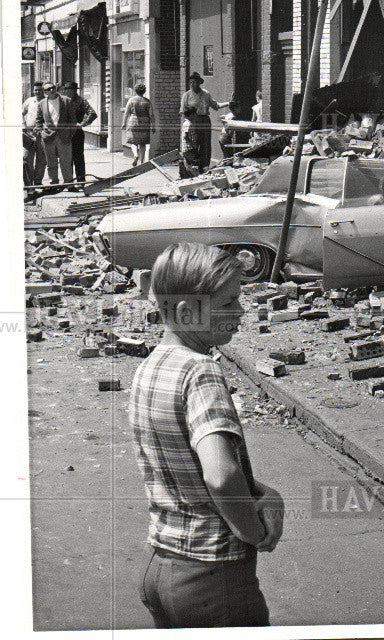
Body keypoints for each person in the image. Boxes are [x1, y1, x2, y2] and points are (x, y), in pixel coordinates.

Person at [129, 243, 283, 629]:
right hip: (214, 579)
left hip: (161, 570)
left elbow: (177, 464)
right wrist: (252, 532)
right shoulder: (201, 372)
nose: (241, 312)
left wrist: (262, 491)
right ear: (186, 312)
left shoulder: (149, 367)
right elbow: (219, 475)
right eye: (229, 303)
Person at [179, 72, 229, 177]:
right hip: (193, 121)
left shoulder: (206, 94)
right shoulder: (187, 96)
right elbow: (183, 113)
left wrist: (228, 103)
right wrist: (185, 127)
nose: (192, 84)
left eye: (195, 82)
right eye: (191, 82)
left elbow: (216, 106)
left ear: (199, 83)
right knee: (193, 145)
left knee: (205, 146)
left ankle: (204, 168)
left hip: (205, 120)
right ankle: (193, 170)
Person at [35, 81, 75, 185]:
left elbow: (73, 120)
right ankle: (54, 183)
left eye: (52, 87)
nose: (52, 90)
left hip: (64, 136)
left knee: (66, 162)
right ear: (45, 92)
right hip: (48, 137)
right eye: (48, 89)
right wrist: (41, 132)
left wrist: (70, 134)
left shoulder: (66, 101)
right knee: (51, 162)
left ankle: (69, 183)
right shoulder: (42, 104)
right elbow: (38, 121)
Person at [62, 81, 97, 183]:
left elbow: (92, 113)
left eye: (68, 90)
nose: (66, 92)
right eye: (65, 90)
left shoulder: (81, 101)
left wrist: (83, 123)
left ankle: (81, 181)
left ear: (73, 90)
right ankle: (69, 182)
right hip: (65, 133)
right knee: (67, 158)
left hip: (77, 133)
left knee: (78, 158)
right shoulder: (63, 101)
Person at [123, 82, 155, 166]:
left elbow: (126, 112)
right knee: (143, 143)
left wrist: (124, 123)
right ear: (144, 91)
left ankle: (135, 155)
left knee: (133, 142)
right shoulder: (147, 101)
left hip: (133, 122)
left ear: (135, 91)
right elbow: (151, 114)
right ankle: (142, 161)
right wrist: (153, 126)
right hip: (145, 123)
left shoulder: (131, 100)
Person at [22, 81, 46, 185]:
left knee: (41, 159)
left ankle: (38, 182)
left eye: (39, 90)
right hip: (29, 134)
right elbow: (21, 113)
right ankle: (29, 184)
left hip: (42, 134)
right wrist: (23, 125)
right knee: (27, 159)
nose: (37, 92)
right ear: (33, 91)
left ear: (43, 91)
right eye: (35, 90)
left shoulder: (47, 102)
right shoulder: (29, 101)